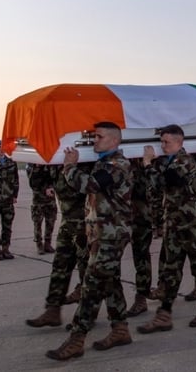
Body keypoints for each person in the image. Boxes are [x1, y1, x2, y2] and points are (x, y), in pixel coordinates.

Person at [46, 121, 133, 361]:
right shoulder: (102, 163)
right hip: (100, 234)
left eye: (100, 137)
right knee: (110, 282)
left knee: (92, 285)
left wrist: (70, 167)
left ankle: (76, 339)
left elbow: (89, 185)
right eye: (94, 137)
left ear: (115, 141)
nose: (95, 141)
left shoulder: (118, 164)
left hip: (111, 236)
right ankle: (120, 329)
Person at [137, 124, 196, 332]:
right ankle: (164, 315)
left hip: (192, 227)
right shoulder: (166, 161)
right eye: (161, 142)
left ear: (179, 142)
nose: (162, 146)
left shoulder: (185, 162)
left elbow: (164, 182)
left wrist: (147, 164)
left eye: (167, 142)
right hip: (173, 225)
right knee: (170, 271)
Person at [25, 163, 92, 328]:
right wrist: (39, 165)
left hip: (85, 222)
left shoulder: (83, 159)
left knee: (87, 271)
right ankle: (53, 311)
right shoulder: (54, 161)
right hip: (68, 222)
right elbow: (36, 184)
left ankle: (86, 316)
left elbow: (87, 187)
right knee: (59, 267)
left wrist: (70, 166)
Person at [124, 158, 155, 317]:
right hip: (117, 215)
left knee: (141, 256)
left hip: (140, 216)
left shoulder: (144, 161)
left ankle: (141, 297)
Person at [25, 164, 59, 254]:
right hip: (38, 201)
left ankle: (48, 243)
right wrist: (36, 167)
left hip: (50, 200)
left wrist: (51, 187)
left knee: (51, 222)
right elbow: (32, 183)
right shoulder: (31, 166)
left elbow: (55, 178)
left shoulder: (50, 165)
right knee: (37, 223)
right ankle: (39, 244)